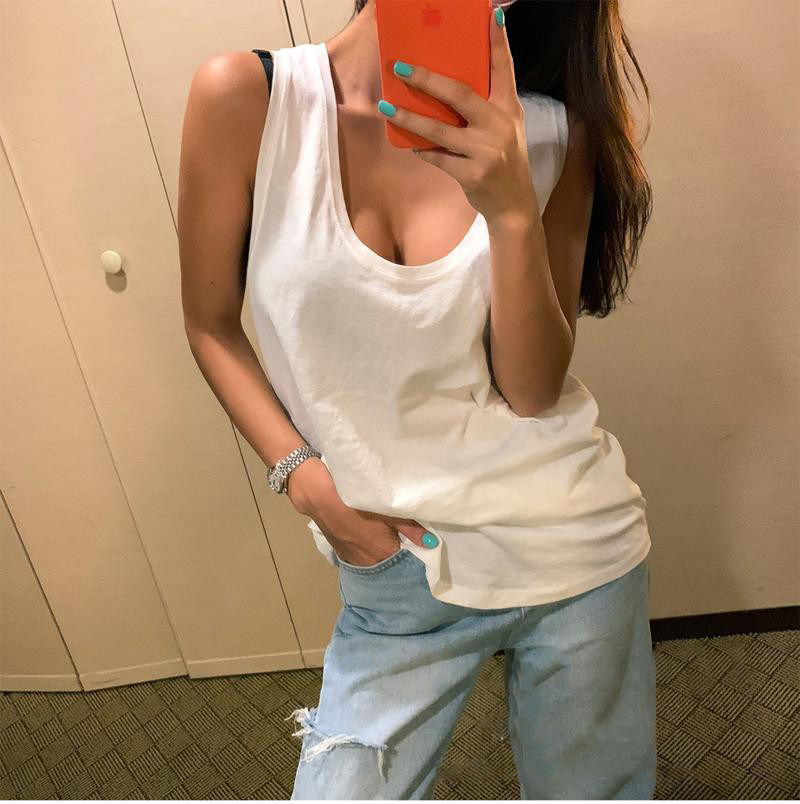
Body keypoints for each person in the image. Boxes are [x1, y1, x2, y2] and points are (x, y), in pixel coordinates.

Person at [178, 0, 657, 798]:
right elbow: (209, 325)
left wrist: (511, 208)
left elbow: (532, 392)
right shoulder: (247, 99)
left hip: (572, 549)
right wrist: (306, 481)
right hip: (398, 568)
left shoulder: (550, 134)